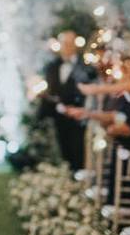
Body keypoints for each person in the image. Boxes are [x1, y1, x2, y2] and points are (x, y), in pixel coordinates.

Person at [39, 31, 97, 170]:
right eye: (64, 43)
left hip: (79, 117)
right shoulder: (52, 66)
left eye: (70, 43)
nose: (67, 47)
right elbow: (48, 90)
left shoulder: (86, 66)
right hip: (57, 116)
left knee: (78, 151)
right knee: (62, 150)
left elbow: (90, 90)